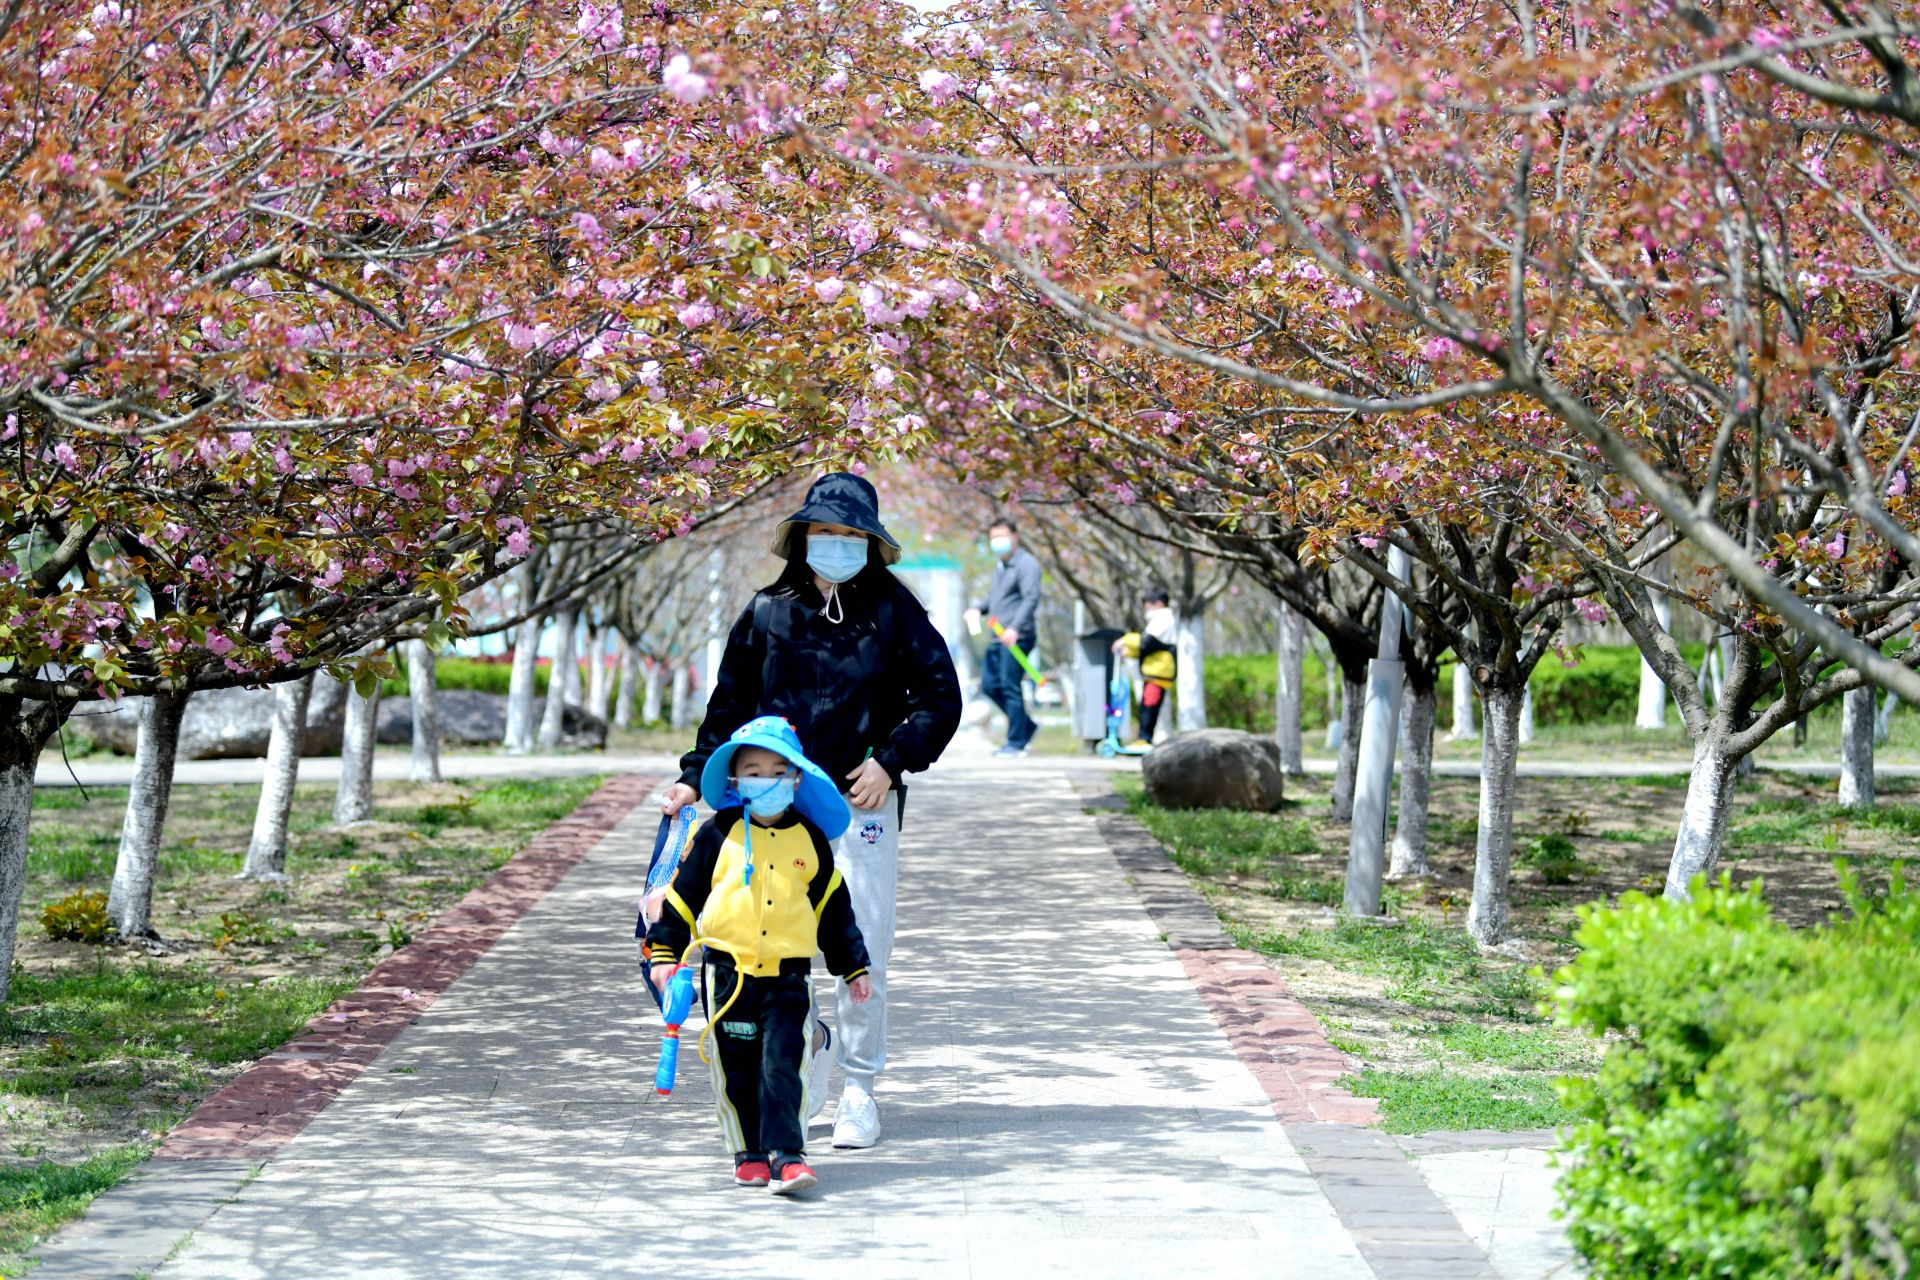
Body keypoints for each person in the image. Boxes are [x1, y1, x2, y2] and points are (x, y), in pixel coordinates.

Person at [662, 472, 960, 1151]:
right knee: (773, 939)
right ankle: (808, 1046)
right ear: (802, 538)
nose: (836, 543)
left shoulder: (894, 611)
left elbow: (940, 699)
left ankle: (859, 1089)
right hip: (773, 810)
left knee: (863, 948)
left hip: (861, 807)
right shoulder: (767, 612)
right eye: (824, 531)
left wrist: (891, 761)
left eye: (850, 533)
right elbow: (728, 704)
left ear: (870, 543)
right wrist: (692, 778)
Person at [645, 716, 871, 1196]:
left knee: (784, 1063)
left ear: (796, 779)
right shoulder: (716, 835)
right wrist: (664, 952)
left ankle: (788, 1154)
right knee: (735, 1067)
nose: (765, 781)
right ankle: (747, 1153)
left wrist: (854, 965)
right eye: (753, 771)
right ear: (734, 780)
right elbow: (682, 900)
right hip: (727, 977)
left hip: (789, 978)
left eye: (777, 772)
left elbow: (833, 908)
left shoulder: (810, 840)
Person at [972, 518, 1042, 757]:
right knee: (990, 685)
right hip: (996, 637)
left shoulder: (1026, 564)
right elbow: (994, 599)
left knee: (1010, 686)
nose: (997, 542)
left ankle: (1016, 742)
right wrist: (977, 608)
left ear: (1015, 536)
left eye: (1001, 536)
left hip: (1016, 637)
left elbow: (1031, 598)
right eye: (993, 538)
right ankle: (1026, 726)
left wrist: (1015, 628)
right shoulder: (1000, 566)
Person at [1114, 585, 1178, 750]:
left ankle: (1145, 739)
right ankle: (1144, 738)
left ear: (1158, 603)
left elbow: (1146, 642)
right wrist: (1130, 652)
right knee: (1148, 705)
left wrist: (1125, 640)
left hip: (1158, 672)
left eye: (1147, 605)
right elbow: (1150, 647)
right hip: (1155, 670)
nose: (1146, 609)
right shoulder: (1162, 619)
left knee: (1149, 706)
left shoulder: (1163, 619)